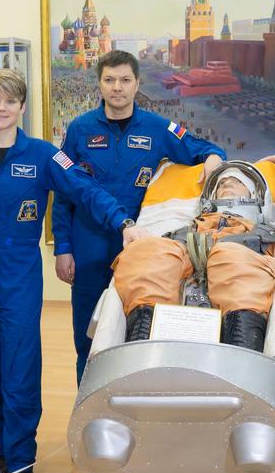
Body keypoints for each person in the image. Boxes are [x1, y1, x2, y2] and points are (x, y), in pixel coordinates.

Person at [0, 68, 140, 473]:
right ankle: (0, 448)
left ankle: (21, 464)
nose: (1, 109)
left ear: (21, 108)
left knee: (19, 367)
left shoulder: (42, 156)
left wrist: (123, 222)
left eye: (10, 101)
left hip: (18, 273)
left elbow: (86, 189)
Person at [52, 49, 227, 382]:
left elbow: (202, 147)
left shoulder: (159, 128)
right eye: (109, 80)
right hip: (88, 247)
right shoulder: (79, 130)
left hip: (140, 253)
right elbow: (64, 193)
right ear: (100, 85)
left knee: (137, 336)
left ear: (136, 84)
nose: (117, 87)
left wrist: (214, 159)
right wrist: (63, 247)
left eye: (125, 80)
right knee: (88, 340)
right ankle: (89, 414)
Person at [112, 162, 275, 351]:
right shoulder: (182, 234)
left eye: (237, 182)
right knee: (146, 250)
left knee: (229, 256)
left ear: (257, 195)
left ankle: (243, 351)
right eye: (222, 183)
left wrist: (260, 265)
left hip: (250, 326)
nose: (227, 185)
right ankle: (141, 345)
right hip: (174, 311)